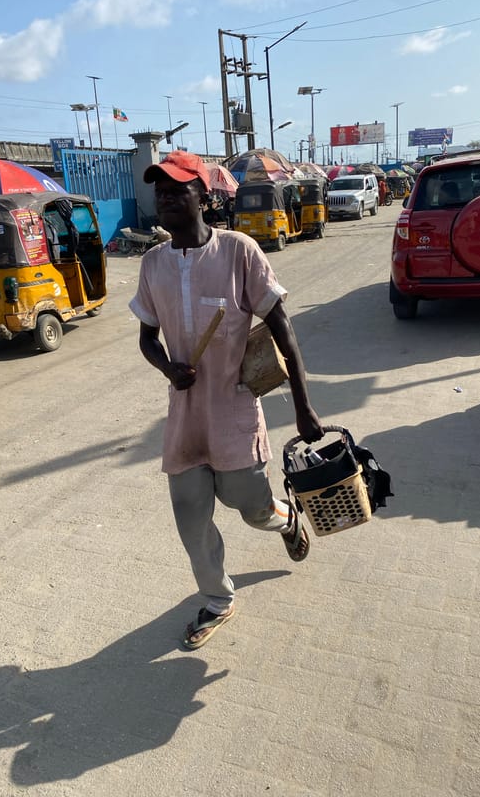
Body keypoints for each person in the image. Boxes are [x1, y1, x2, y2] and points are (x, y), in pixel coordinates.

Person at [129, 151, 324, 650]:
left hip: (234, 408)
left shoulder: (238, 251)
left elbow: (283, 328)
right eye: (160, 189)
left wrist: (303, 405)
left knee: (250, 506)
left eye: (178, 187)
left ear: (204, 195)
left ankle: (284, 518)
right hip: (185, 414)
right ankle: (218, 600)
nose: (166, 196)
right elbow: (148, 337)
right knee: (190, 518)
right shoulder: (153, 264)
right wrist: (167, 367)